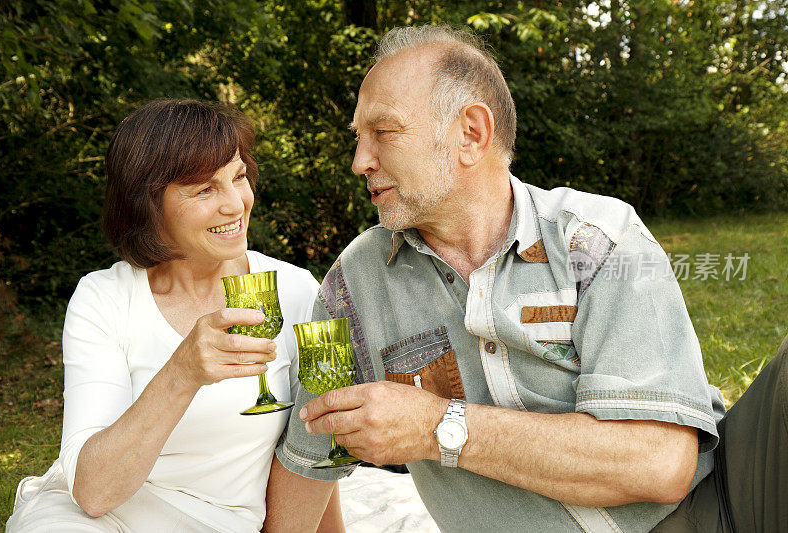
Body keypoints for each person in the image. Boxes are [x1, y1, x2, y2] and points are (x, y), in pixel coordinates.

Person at [266, 25, 787, 532]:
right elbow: (309, 453)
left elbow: (662, 463)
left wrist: (438, 427)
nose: (360, 161)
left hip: (716, 509)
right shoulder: (350, 287)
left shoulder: (599, 238)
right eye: (360, 138)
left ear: (471, 134)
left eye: (383, 133)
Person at [5, 99, 343, 532]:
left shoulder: (295, 290)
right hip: (99, 517)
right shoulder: (103, 298)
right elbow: (92, 493)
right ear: (148, 205)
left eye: (238, 177)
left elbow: (318, 440)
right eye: (204, 189)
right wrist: (181, 372)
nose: (235, 205)